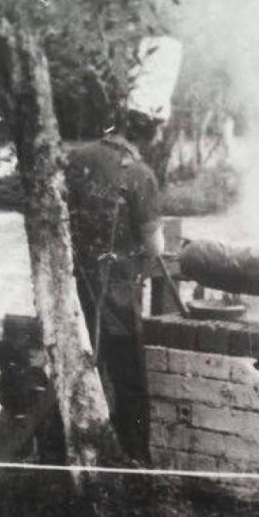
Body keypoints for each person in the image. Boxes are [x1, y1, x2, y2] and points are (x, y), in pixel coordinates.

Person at [65, 109, 166, 462]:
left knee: (85, 367)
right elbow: (155, 247)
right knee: (129, 379)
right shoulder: (139, 174)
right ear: (145, 134)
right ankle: (135, 460)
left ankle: (84, 451)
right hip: (117, 293)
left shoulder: (76, 158)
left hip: (75, 287)